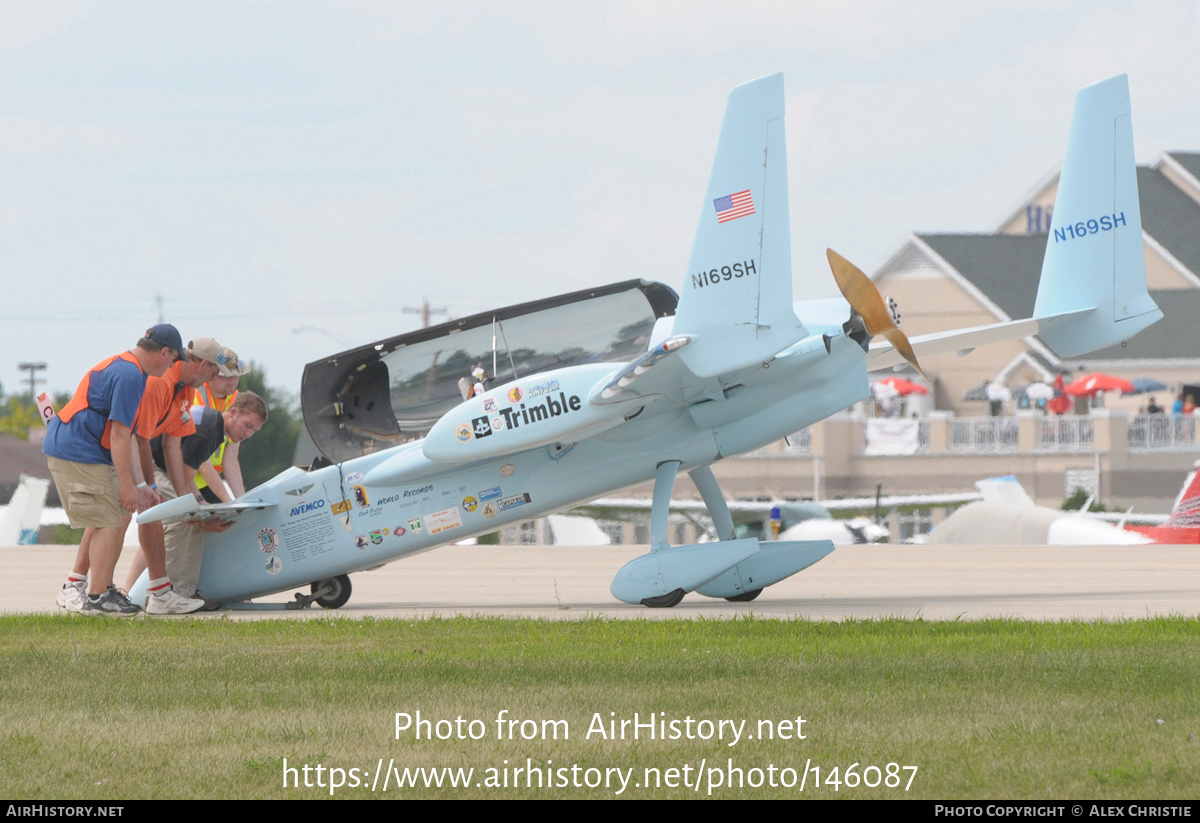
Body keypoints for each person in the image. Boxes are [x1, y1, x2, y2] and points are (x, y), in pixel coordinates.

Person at [47, 325, 182, 616]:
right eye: (173, 359)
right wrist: (126, 486)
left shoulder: (130, 369)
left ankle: (100, 591)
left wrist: (142, 485)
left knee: (115, 516)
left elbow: (129, 436)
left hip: (86, 449)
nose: (172, 365)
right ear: (163, 352)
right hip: (79, 451)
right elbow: (120, 435)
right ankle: (96, 598)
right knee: (109, 520)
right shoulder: (131, 375)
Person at [120, 338, 234, 613]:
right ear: (204, 365)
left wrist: (186, 498)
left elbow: (173, 444)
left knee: (179, 515)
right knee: (161, 519)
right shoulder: (163, 384)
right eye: (215, 373)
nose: (216, 379)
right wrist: (147, 485)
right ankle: (148, 594)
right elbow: (142, 440)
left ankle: (172, 592)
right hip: (132, 458)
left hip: (153, 461)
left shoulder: (184, 390)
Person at [152, 390, 268, 598]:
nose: (248, 434)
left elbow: (186, 473)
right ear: (233, 413)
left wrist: (201, 503)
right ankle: (163, 593)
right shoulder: (208, 432)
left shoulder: (214, 428)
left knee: (196, 518)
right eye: (248, 426)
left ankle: (184, 591)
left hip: (169, 469)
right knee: (181, 521)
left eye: (255, 431)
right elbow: (182, 480)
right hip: (155, 466)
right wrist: (196, 513)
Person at [192, 348, 252, 503]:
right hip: (185, 480)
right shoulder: (195, 397)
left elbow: (230, 457)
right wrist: (227, 501)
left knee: (226, 523)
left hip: (208, 482)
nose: (232, 380)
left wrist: (242, 501)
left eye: (235, 375)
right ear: (211, 374)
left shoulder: (237, 402)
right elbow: (202, 462)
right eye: (225, 376)